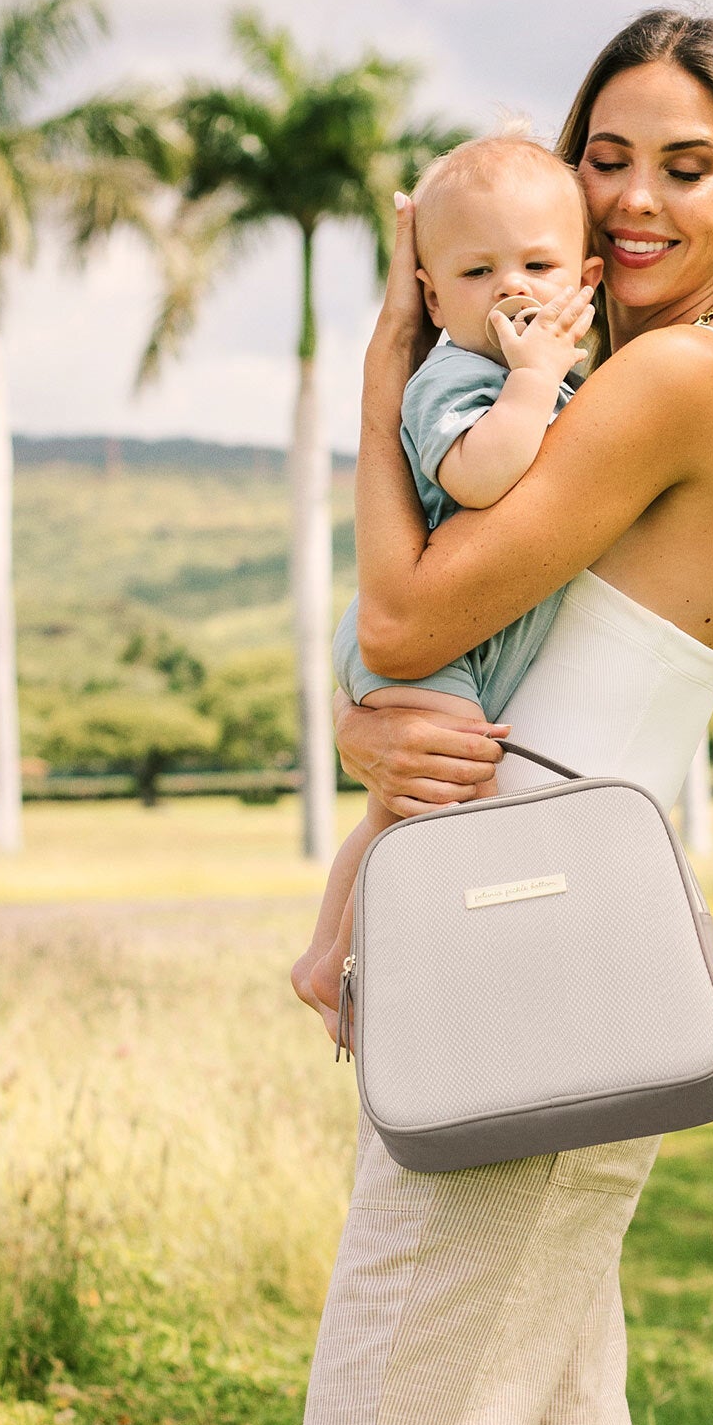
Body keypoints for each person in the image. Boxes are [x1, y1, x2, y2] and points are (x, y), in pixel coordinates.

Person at [286, 7, 713, 1425]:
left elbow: (404, 615)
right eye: (609, 160)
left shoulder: (672, 377)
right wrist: (374, 764)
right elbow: (499, 672)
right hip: (574, 953)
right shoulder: (698, 379)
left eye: (687, 167)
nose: (635, 201)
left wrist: (382, 378)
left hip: (525, 965)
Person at [293, 134, 602, 1023]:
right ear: (430, 294)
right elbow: (478, 477)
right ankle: (360, 959)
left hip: (433, 638)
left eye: (538, 264)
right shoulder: (455, 382)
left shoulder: (533, 378)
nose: (512, 289)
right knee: (440, 797)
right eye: (475, 274)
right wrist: (539, 379)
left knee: (400, 809)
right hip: (416, 642)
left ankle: (328, 958)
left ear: (584, 279)